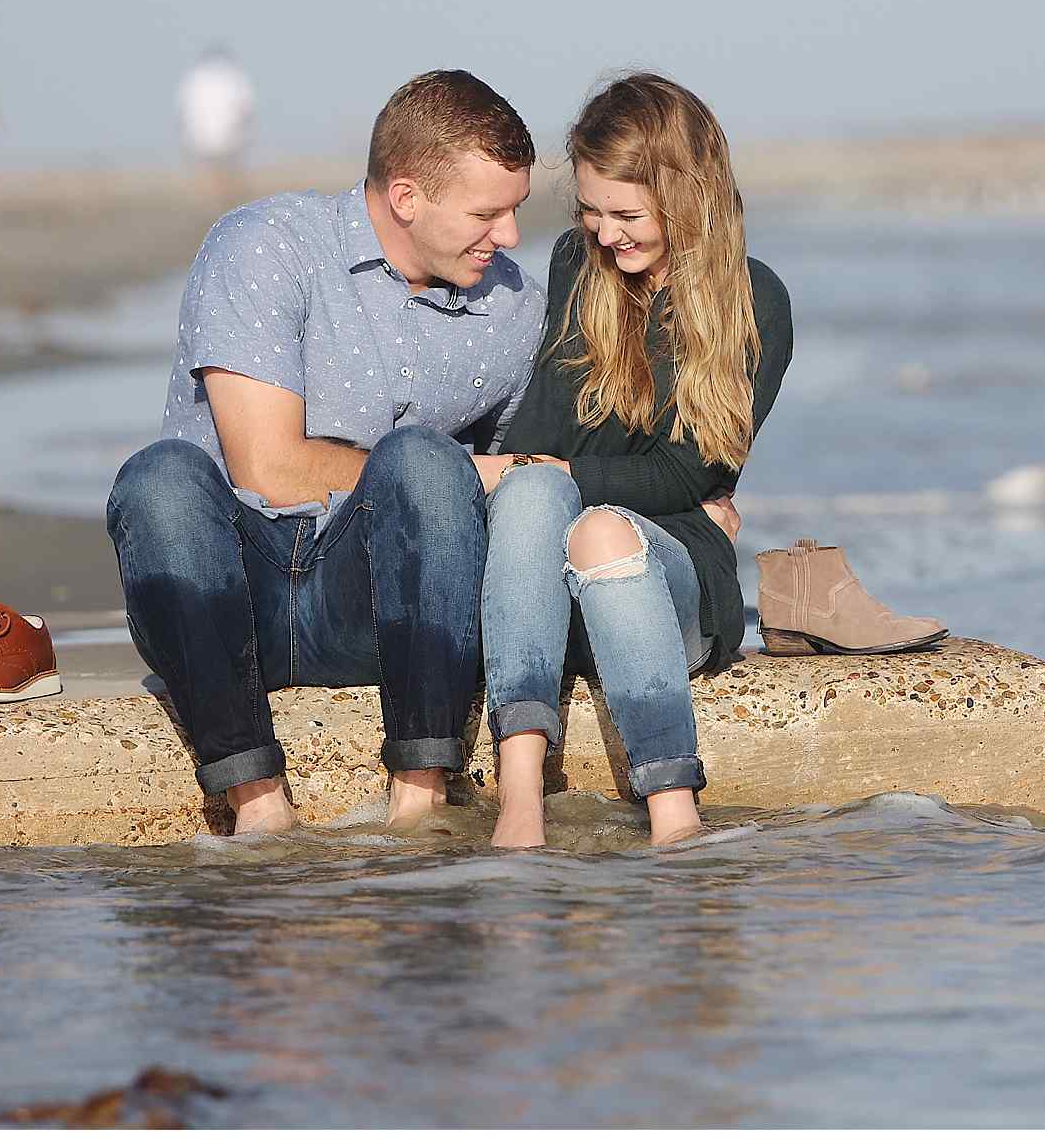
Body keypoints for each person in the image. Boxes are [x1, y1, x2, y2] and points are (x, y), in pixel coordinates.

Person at [106, 70, 546, 834]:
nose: (508, 236)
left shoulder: (514, 308)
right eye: (487, 213)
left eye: (516, 210)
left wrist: (685, 497)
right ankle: (258, 807)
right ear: (407, 197)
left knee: (420, 463)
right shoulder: (264, 246)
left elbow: (523, 497)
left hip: (374, 608)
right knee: (160, 478)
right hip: (221, 596)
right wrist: (469, 470)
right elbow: (266, 468)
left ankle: (418, 808)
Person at [477, 73, 794, 848]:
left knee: (597, 529)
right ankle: (521, 804)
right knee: (531, 499)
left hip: (670, 580)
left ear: (687, 200)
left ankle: (674, 815)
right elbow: (543, 433)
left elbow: (686, 473)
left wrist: (560, 473)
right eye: (590, 211)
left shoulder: (754, 302)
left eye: (626, 214)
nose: (606, 233)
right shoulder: (577, 270)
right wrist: (542, 472)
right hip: (552, 587)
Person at [178, 44, 256, 203]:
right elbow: (245, 108)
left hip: (203, 134)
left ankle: (211, 195)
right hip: (227, 133)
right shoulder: (234, 76)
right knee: (224, 166)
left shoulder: (194, 77)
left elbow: (183, 110)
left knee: (212, 166)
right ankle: (223, 194)